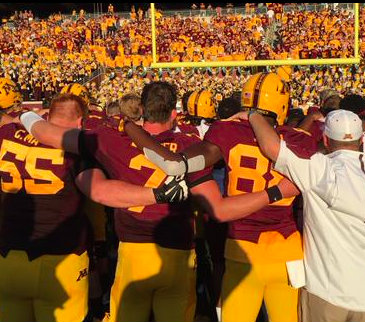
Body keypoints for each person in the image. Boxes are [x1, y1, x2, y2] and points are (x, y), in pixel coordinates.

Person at [18, 81, 294, 322]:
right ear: (174, 114)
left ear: (143, 111)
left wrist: (26, 115)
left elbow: (49, 135)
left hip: (132, 254)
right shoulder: (190, 142)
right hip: (179, 255)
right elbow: (214, 203)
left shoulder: (111, 137)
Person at [122, 73, 318, 322]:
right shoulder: (302, 140)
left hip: (241, 249)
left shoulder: (225, 130)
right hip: (288, 249)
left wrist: (128, 125)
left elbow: (184, 166)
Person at [0, 94, 188, 322]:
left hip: (8, 258)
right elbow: (99, 191)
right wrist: (156, 195)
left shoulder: (7, 135)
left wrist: (28, 116)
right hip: (60, 260)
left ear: (48, 114)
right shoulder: (78, 148)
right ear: (81, 123)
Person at [229, 109, 365, 322]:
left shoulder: (321, 169)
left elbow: (271, 147)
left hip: (326, 294)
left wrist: (254, 115)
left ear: (326, 139)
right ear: (361, 139)